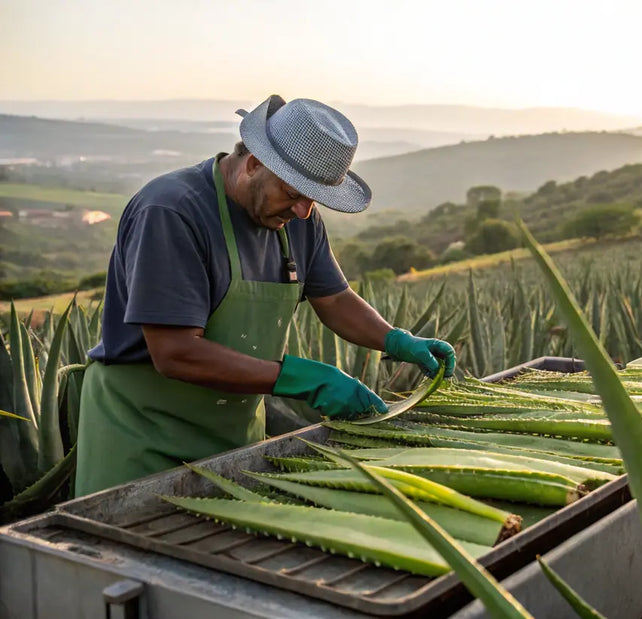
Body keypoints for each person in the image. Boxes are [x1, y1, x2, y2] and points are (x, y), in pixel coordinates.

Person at [74, 95, 456, 496]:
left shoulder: (298, 217)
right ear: (254, 164)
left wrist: (395, 339)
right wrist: (305, 379)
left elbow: (336, 299)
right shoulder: (171, 211)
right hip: (143, 439)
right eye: (294, 193)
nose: (304, 211)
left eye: (315, 199)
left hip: (231, 440)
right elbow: (175, 351)